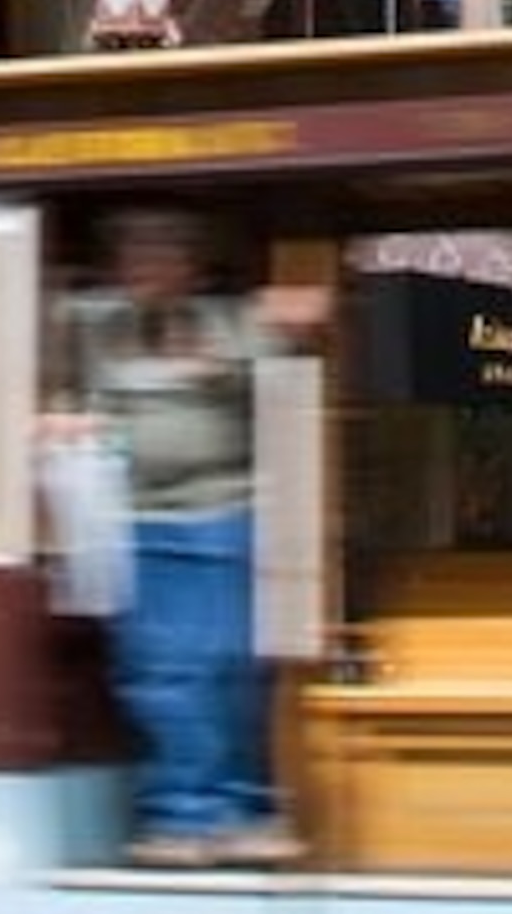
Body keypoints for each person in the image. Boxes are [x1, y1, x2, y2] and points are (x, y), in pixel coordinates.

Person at [55, 201, 320, 871]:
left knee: (232, 667)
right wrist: (59, 421)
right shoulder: (93, 327)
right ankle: (180, 816)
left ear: (191, 265)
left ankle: (247, 811)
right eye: (135, 253)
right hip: (136, 524)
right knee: (160, 676)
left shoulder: (233, 322)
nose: (147, 266)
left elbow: (297, 343)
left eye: (163, 253)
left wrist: (296, 323)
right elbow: (56, 392)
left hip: (228, 514)